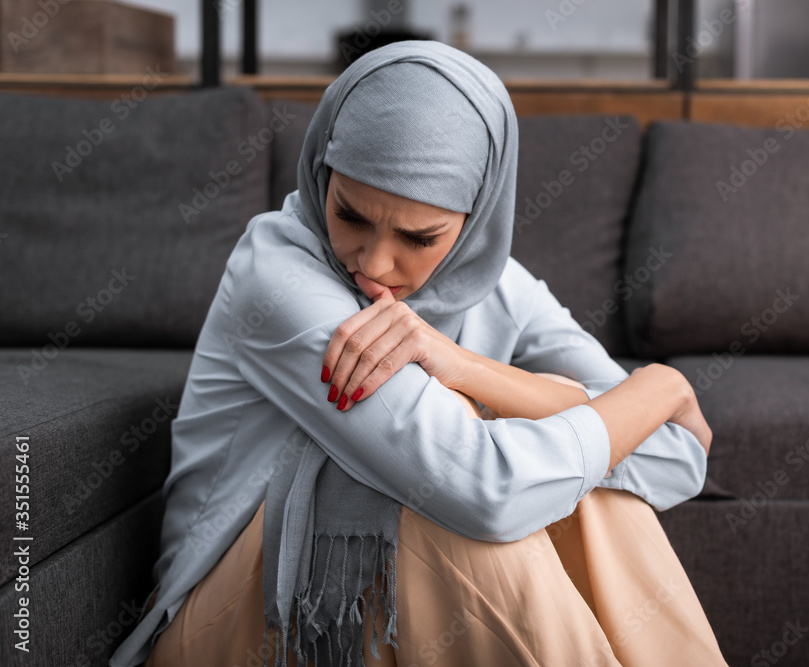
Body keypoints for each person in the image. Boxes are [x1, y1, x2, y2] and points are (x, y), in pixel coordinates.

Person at [109, 40, 727, 667]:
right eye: (349, 214)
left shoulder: (501, 286)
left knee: (588, 487)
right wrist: (654, 393)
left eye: (418, 236)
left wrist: (465, 367)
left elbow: (675, 461)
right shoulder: (279, 281)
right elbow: (486, 491)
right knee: (452, 498)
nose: (375, 266)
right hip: (221, 623)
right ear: (322, 175)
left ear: (476, 217)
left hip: (364, 608)